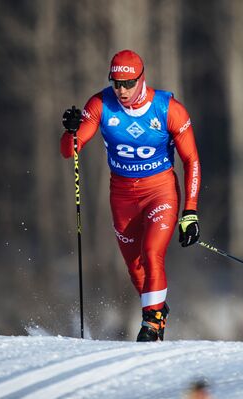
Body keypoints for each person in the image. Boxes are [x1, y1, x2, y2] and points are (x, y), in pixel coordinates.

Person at [60, 49, 201, 342]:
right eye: (116, 83)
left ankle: (151, 324)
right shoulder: (100, 104)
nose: (122, 91)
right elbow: (69, 150)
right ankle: (158, 306)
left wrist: (190, 211)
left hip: (160, 191)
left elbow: (192, 161)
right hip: (122, 196)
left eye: (128, 83)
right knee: (135, 266)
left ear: (141, 78)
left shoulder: (169, 109)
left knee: (152, 254)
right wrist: (70, 132)